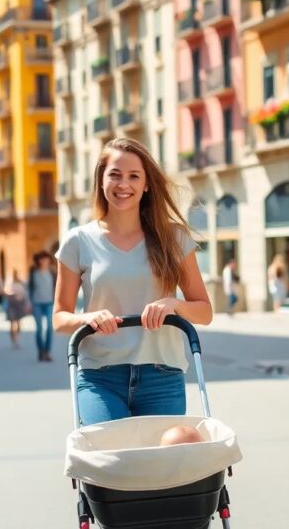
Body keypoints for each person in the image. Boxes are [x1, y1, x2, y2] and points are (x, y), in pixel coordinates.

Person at [52, 137, 212, 426]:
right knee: (110, 448)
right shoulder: (78, 241)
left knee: (159, 455)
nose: (123, 184)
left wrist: (173, 304)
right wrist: (87, 318)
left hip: (162, 376)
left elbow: (204, 312)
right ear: (101, 179)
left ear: (147, 184)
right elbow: (59, 318)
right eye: (114, 174)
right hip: (100, 377)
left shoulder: (174, 238)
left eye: (134, 176)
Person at [29, 251, 56, 362]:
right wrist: (29, 303)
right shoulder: (33, 273)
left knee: (50, 327)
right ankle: (41, 351)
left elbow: (57, 288)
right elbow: (30, 289)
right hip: (37, 303)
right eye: (42, 259)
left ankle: (47, 351)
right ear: (39, 261)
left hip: (49, 303)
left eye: (46, 259)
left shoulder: (52, 273)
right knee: (39, 328)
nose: (45, 261)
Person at [4, 269, 30, 350]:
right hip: (12, 304)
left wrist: (26, 305)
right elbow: (6, 291)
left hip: (19, 304)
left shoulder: (20, 282)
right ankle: (14, 340)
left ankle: (16, 337)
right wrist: (12, 294)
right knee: (12, 323)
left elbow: (25, 294)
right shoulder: (9, 282)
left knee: (18, 324)